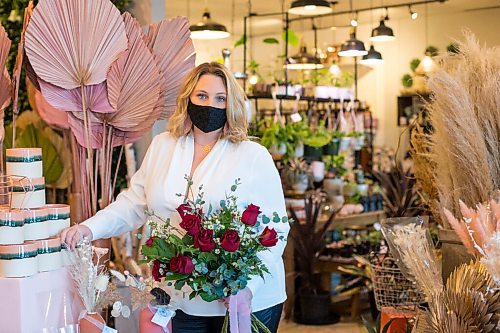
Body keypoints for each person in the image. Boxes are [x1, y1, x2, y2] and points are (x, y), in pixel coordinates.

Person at [60, 62, 289, 333]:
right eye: (201, 96)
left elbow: (274, 230)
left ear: (231, 105)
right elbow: (134, 203)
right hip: (178, 298)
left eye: (220, 98)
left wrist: (248, 288)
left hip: (242, 299)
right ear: (188, 98)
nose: (210, 105)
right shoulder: (163, 146)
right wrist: (89, 227)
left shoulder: (252, 156)